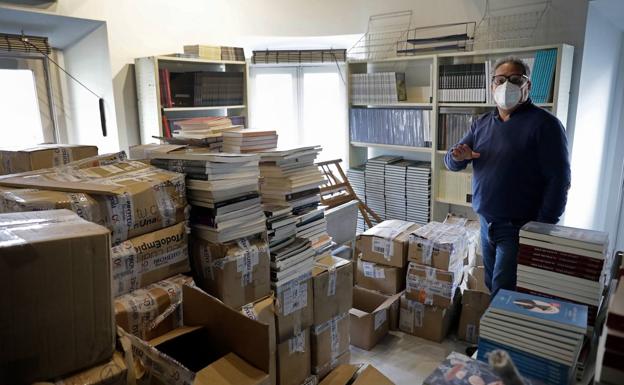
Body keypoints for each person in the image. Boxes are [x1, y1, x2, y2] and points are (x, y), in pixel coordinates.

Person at [444, 56, 571, 297]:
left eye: (515, 80)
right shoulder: (481, 124)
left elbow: (559, 180)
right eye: (500, 80)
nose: (506, 86)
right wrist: (457, 157)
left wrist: (541, 229)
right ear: (492, 86)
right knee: (493, 284)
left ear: (528, 86)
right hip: (485, 222)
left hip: (518, 228)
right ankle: (497, 329)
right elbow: (452, 161)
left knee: (505, 292)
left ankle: (499, 333)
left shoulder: (546, 125)